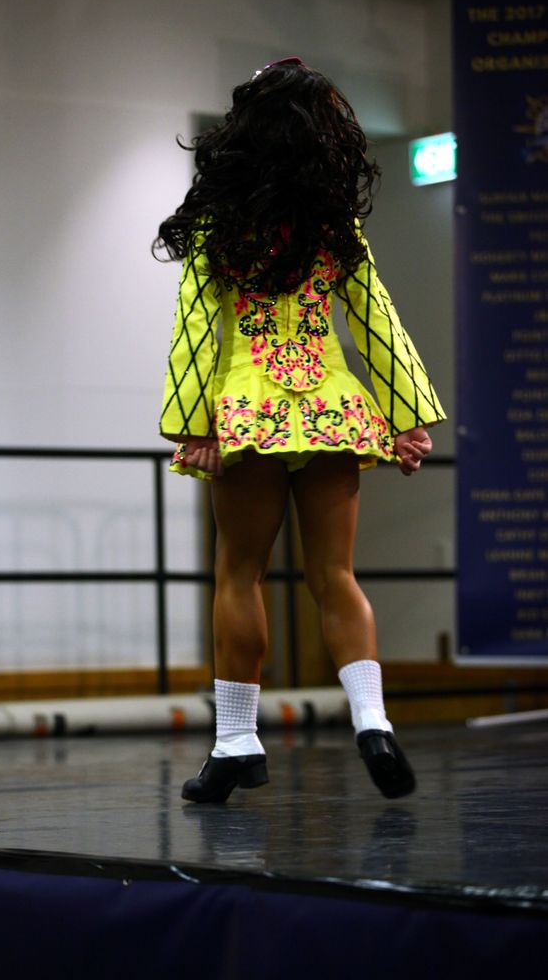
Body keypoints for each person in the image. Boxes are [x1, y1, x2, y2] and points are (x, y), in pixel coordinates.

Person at [153, 57, 445, 803]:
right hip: (330, 407)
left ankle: (235, 742)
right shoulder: (333, 223)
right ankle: (372, 722)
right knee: (335, 576)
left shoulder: (219, 221)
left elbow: (196, 328)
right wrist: (406, 416)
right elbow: (375, 317)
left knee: (239, 573)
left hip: (247, 409)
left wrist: (190, 424)